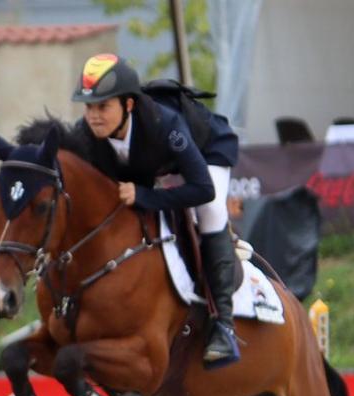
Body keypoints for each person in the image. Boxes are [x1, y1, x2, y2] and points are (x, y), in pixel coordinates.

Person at [72, 53, 242, 368]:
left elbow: (202, 187)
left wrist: (146, 196)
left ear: (129, 105)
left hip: (206, 152)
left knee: (210, 209)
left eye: (103, 106)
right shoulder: (85, 134)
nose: (94, 116)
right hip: (154, 165)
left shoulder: (166, 125)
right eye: (89, 107)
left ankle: (223, 326)